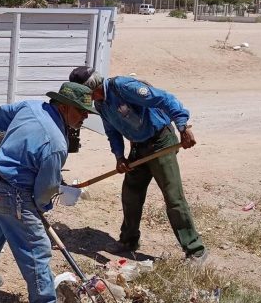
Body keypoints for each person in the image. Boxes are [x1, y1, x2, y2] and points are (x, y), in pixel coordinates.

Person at [0, 82, 97, 303]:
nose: (85, 117)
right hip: (14, 193)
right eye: (81, 111)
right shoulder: (55, 143)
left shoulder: (31, 107)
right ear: (64, 106)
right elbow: (45, 190)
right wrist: (41, 208)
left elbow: (3, 113)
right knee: (36, 250)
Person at [69, 66, 207, 262]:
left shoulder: (123, 87)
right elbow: (112, 132)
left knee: (173, 197)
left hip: (160, 142)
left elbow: (165, 98)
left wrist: (183, 126)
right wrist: (119, 157)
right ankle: (129, 241)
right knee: (131, 195)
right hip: (139, 147)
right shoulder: (100, 104)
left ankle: (195, 250)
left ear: (90, 87)